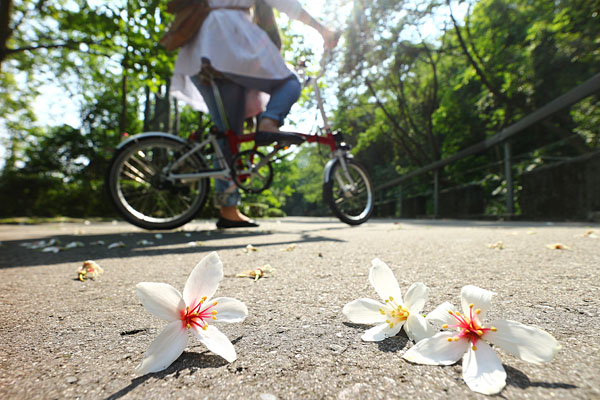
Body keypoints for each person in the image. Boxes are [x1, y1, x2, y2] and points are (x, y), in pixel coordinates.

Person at [170, 0, 338, 229]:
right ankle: (268, 124)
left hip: (200, 51)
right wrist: (323, 30)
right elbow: (288, 5)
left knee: (229, 137)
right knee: (289, 82)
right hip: (229, 43)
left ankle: (229, 210)